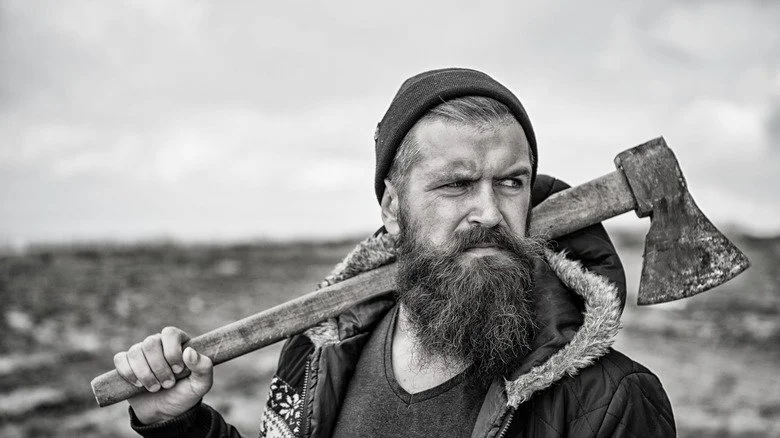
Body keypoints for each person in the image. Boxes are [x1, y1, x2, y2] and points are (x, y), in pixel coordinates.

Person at [113, 68, 675, 437]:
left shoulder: (608, 403)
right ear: (392, 205)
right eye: (456, 184)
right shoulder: (319, 349)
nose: (489, 211)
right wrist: (178, 424)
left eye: (511, 183)